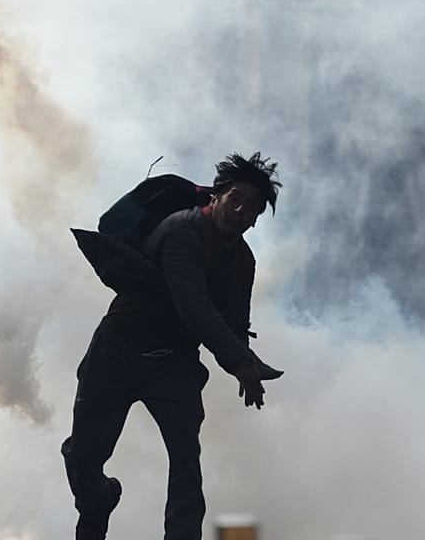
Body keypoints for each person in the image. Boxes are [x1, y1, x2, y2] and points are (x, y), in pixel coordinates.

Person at [62, 152, 285, 540]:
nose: (242, 209)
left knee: (186, 464)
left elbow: (234, 322)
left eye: (253, 207)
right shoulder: (181, 228)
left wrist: (249, 360)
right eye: (237, 197)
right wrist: (240, 363)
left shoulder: (243, 262)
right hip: (118, 351)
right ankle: (97, 502)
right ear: (216, 196)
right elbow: (193, 304)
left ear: (255, 219)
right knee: (85, 457)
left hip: (175, 365)